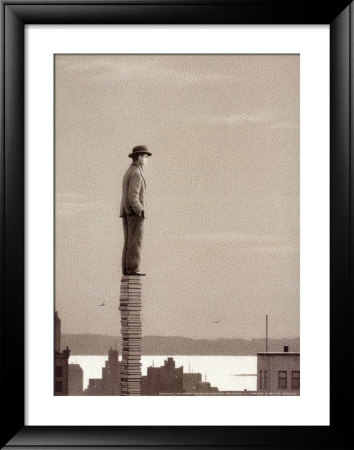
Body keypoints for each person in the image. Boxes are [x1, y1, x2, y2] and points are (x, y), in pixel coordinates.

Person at [120, 145, 152, 276]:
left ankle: (127, 269)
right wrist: (140, 210)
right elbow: (132, 195)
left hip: (127, 211)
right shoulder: (136, 173)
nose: (146, 160)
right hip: (134, 212)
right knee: (135, 241)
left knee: (129, 241)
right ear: (139, 157)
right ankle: (133, 268)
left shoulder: (130, 170)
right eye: (145, 157)